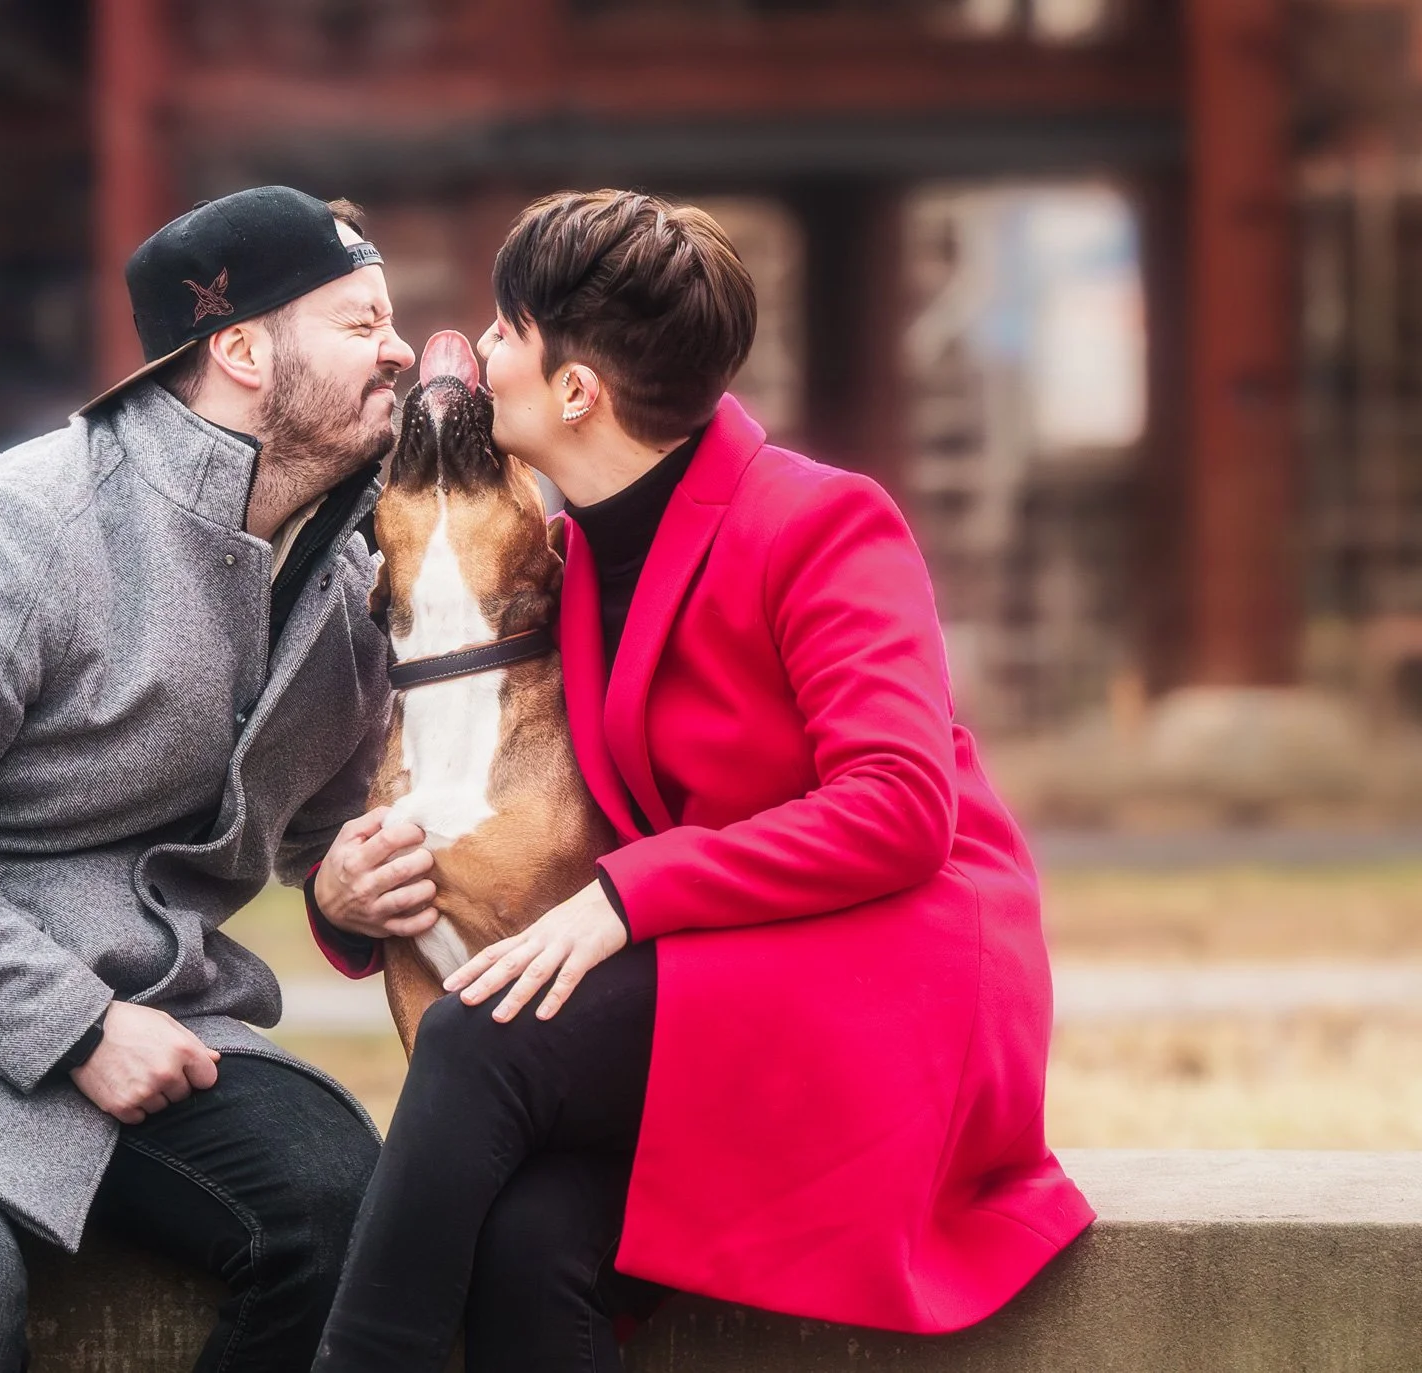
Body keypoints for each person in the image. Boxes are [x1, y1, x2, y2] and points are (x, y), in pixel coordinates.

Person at [308, 190, 1096, 1373]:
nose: (484, 352)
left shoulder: (820, 520)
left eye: (508, 330)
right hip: (732, 961)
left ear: (577, 391)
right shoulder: (568, 552)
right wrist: (346, 904)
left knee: (479, 1037)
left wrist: (628, 895)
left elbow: (899, 804)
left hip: (892, 968)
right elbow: (480, 777)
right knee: (529, 1240)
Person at [0, 185, 429, 1373]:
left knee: (337, 1206)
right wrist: (76, 1027)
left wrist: (340, 885)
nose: (399, 349)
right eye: (360, 323)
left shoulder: (347, 581)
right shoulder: (14, 533)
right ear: (242, 351)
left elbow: (312, 829)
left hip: (153, 1017)